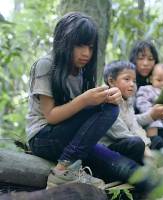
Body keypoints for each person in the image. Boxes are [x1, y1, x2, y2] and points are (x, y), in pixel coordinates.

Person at [26, 12, 152, 191]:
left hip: (76, 142)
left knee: (137, 173)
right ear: (64, 42)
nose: (86, 53)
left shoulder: (83, 72)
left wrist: (112, 98)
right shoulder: (46, 65)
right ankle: (63, 170)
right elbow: (51, 117)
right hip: (44, 138)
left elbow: (100, 118)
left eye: (90, 47)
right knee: (107, 110)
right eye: (79, 45)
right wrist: (85, 100)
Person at [99, 61, 157, 164]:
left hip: (124, 143)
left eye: (134, 81)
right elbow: (121, 133)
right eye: (127, 79)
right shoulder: (106, 102)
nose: (132, 84)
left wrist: (147, 146)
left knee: (152, 142)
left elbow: (135, 127)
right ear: (111, 81)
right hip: (107, 149)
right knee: (136, 143)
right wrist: (146, 151)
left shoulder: (128, 102)